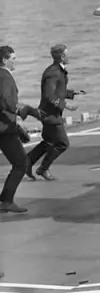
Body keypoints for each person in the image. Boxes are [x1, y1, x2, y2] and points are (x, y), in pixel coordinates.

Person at [27, 44, 83, 181]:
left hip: (52, 113)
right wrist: (66, 106)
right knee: (62, 144)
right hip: (49, 114)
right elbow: (49, 96)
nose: (70, 56)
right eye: (67, 54)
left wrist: (71, 93)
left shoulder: (58, 70)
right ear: (62, 57)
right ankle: (43, 168)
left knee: (48, 141)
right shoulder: (53, 72)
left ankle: (26, 163)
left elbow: (58, 90)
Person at [0, 45, 39, 213]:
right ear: (5, 60)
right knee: (21, 163)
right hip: (4, 129)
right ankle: (7, 201)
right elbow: (6, 101)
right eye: (13, 59)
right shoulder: (5, 77)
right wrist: (22, 111)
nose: (16, 62)